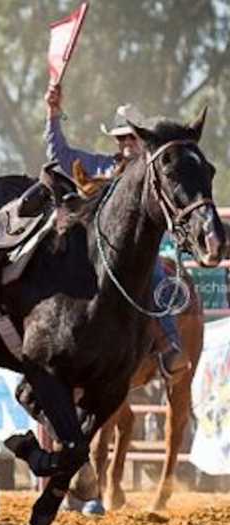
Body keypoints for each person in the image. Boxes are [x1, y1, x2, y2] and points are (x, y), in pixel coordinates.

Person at [44, 83, 185, 382]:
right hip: (99, 249)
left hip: (141, 253)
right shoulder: (104, 166)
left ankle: (168, 343)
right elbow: (60, 154)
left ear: (142, 139)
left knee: (156, 275)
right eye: (120, 138)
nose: (126, 144)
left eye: (131, 137)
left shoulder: (153, 172)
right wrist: (52, 115)